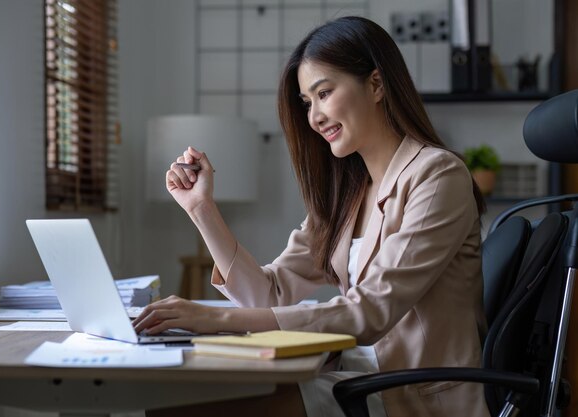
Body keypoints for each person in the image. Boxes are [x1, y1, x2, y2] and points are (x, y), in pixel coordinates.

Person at [133, 16, 490, 417]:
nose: (314, 117)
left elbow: (370, 312)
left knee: (186, 408)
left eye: (324, 93)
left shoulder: (438, 176)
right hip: (355, 377)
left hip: (411, 393)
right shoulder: (349, 193)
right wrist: (201, 209)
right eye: (307, 102)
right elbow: (271, 293)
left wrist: (215, 318)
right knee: (174, 401)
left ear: (375, 85)